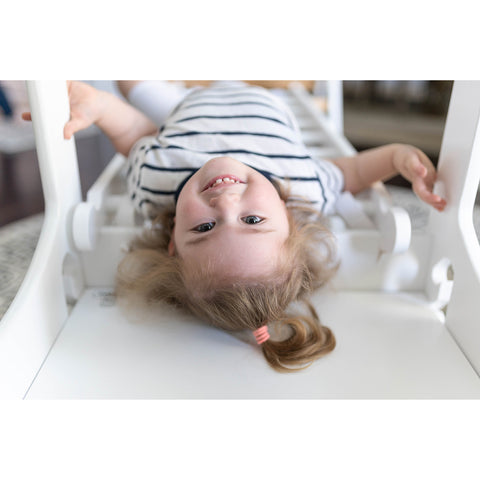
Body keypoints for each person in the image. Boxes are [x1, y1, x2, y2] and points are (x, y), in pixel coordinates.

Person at [23, 80, 447, 372]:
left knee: (131, 82)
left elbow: (137, 130)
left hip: (183, 105)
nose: (223, 202)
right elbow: (355, 169)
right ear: (288, 217)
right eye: (252, 220)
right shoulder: (305, 183)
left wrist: (99, 107)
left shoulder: (157, 178)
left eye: (204, 228)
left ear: (173, 241)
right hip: (267, 97)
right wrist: (396, 158)